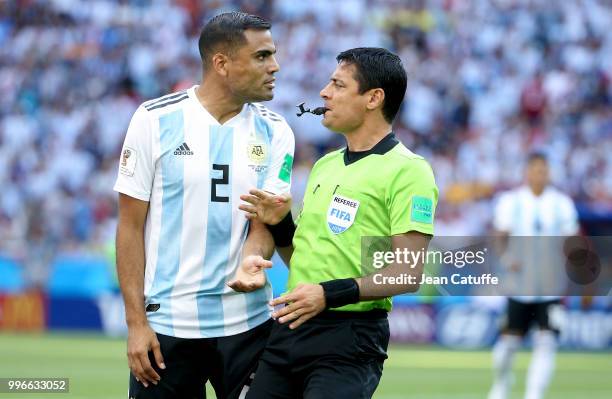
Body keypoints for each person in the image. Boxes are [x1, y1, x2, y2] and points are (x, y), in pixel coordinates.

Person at [234, 47, 438, 398]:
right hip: (290, 326)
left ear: (373, 98)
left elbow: (407, 273)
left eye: (338, 85)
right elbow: (305, 258)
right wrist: (281, 224)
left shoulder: (409, 170)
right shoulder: (326, 165)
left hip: (349, 339)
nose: (324, 93)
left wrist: (327, 295)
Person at [113, 12, 295, 399]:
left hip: (248, 325)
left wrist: (252, 259)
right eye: (262, 56)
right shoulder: (154, 120)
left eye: (273, 55)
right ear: (222, 64)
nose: (274, 66)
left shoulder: (276, 130)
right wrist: (135, 324)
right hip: (168, 328)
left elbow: (264, 221)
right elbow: (129, 227)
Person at [488, 152, 579, 399]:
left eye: (545, 170)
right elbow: (499, 236)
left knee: (547, 343)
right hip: (519, 286)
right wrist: (507, 260)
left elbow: (572, 240)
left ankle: (534, 395)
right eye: (537, 170)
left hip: (551, 287)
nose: (541, 175)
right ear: (527, 172)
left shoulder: (561, 203)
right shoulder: (511, 201)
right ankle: (502, 383)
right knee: (507, 345)